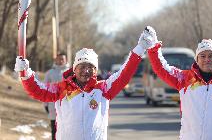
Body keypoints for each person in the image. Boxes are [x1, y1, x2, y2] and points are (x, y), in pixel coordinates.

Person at [14, 29, 151, 140]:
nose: (86, 70)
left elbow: (124, 74)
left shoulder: (103, 89)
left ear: (95, 70)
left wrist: (139, 49)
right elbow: (38, 90)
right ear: (74, 69)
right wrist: (25, 73)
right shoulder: (63, 89)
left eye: (90, 67)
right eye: (82, 66)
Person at [43, 52, 69, 140]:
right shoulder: (49, 73)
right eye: (59, 59)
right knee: (54, 130)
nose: (61, 61)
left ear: (66, 60)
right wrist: (45, 104)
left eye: (63, 59)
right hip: (53, 105)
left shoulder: (72, 73)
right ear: (56, 60)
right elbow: (45, 89)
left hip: (68, 105)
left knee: (67, 130)